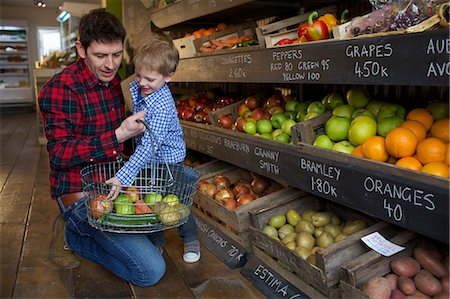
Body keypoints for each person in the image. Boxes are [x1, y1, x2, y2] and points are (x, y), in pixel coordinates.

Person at [38, 8, 165, 286]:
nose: (110, 64)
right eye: (100, 56)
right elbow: (60, 154)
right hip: (79, 191)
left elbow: (123, 146)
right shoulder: (61, 89)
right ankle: (76, 236)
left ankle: (105, 234)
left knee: (159, 235)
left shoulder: (112, 81)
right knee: (150, 271)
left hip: (113, 182)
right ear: (81, 49)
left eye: (117, 55)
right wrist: (118, 134)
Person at [106, 35, 201, 264]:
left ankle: (190, 238)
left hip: (167, 160)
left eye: (149, 78)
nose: (142, 82)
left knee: (174, 201)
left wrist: (122, 176)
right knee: (150, 201)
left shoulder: (161, 105)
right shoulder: (144, 89)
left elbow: (148, 146)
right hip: (149, 161)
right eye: (138, 75)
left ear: (168, 77)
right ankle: (156, 241)